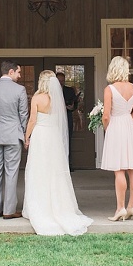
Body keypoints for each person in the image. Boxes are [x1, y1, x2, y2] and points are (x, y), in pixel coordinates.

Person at [23, 70, 93, 235]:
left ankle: (39, 206)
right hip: (53, 135)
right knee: (55, 170)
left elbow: (32, 120)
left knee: (39, 169)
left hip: (40, 134)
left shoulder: (37, 97)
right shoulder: (57, 98)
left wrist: (26, 137)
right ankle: (59, 206)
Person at [0, 59, 29, 220]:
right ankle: (9, 210)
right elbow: (23, 115)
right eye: (18, 72)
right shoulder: (20, 90)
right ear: (11, 72)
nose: (19, 75)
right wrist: (24, 134)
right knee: (11, 172)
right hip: (13, 135)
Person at [100, 56, 133, 221]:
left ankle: (120, 208)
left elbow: (106, 115)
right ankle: (132, 205)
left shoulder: (110, 89)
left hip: (115, 126)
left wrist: (108, 127)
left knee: (119, 169)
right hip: (129, 126)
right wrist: (127, 119)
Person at [56, 71, 78, 170]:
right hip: (55, 118)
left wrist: (72, 107)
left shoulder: (69, 90)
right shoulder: (50, 92)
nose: (61, 83)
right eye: (59, 81)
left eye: (62, 81)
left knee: (67, 140)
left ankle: (68, 164)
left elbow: (75, 103)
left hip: (67, 117)